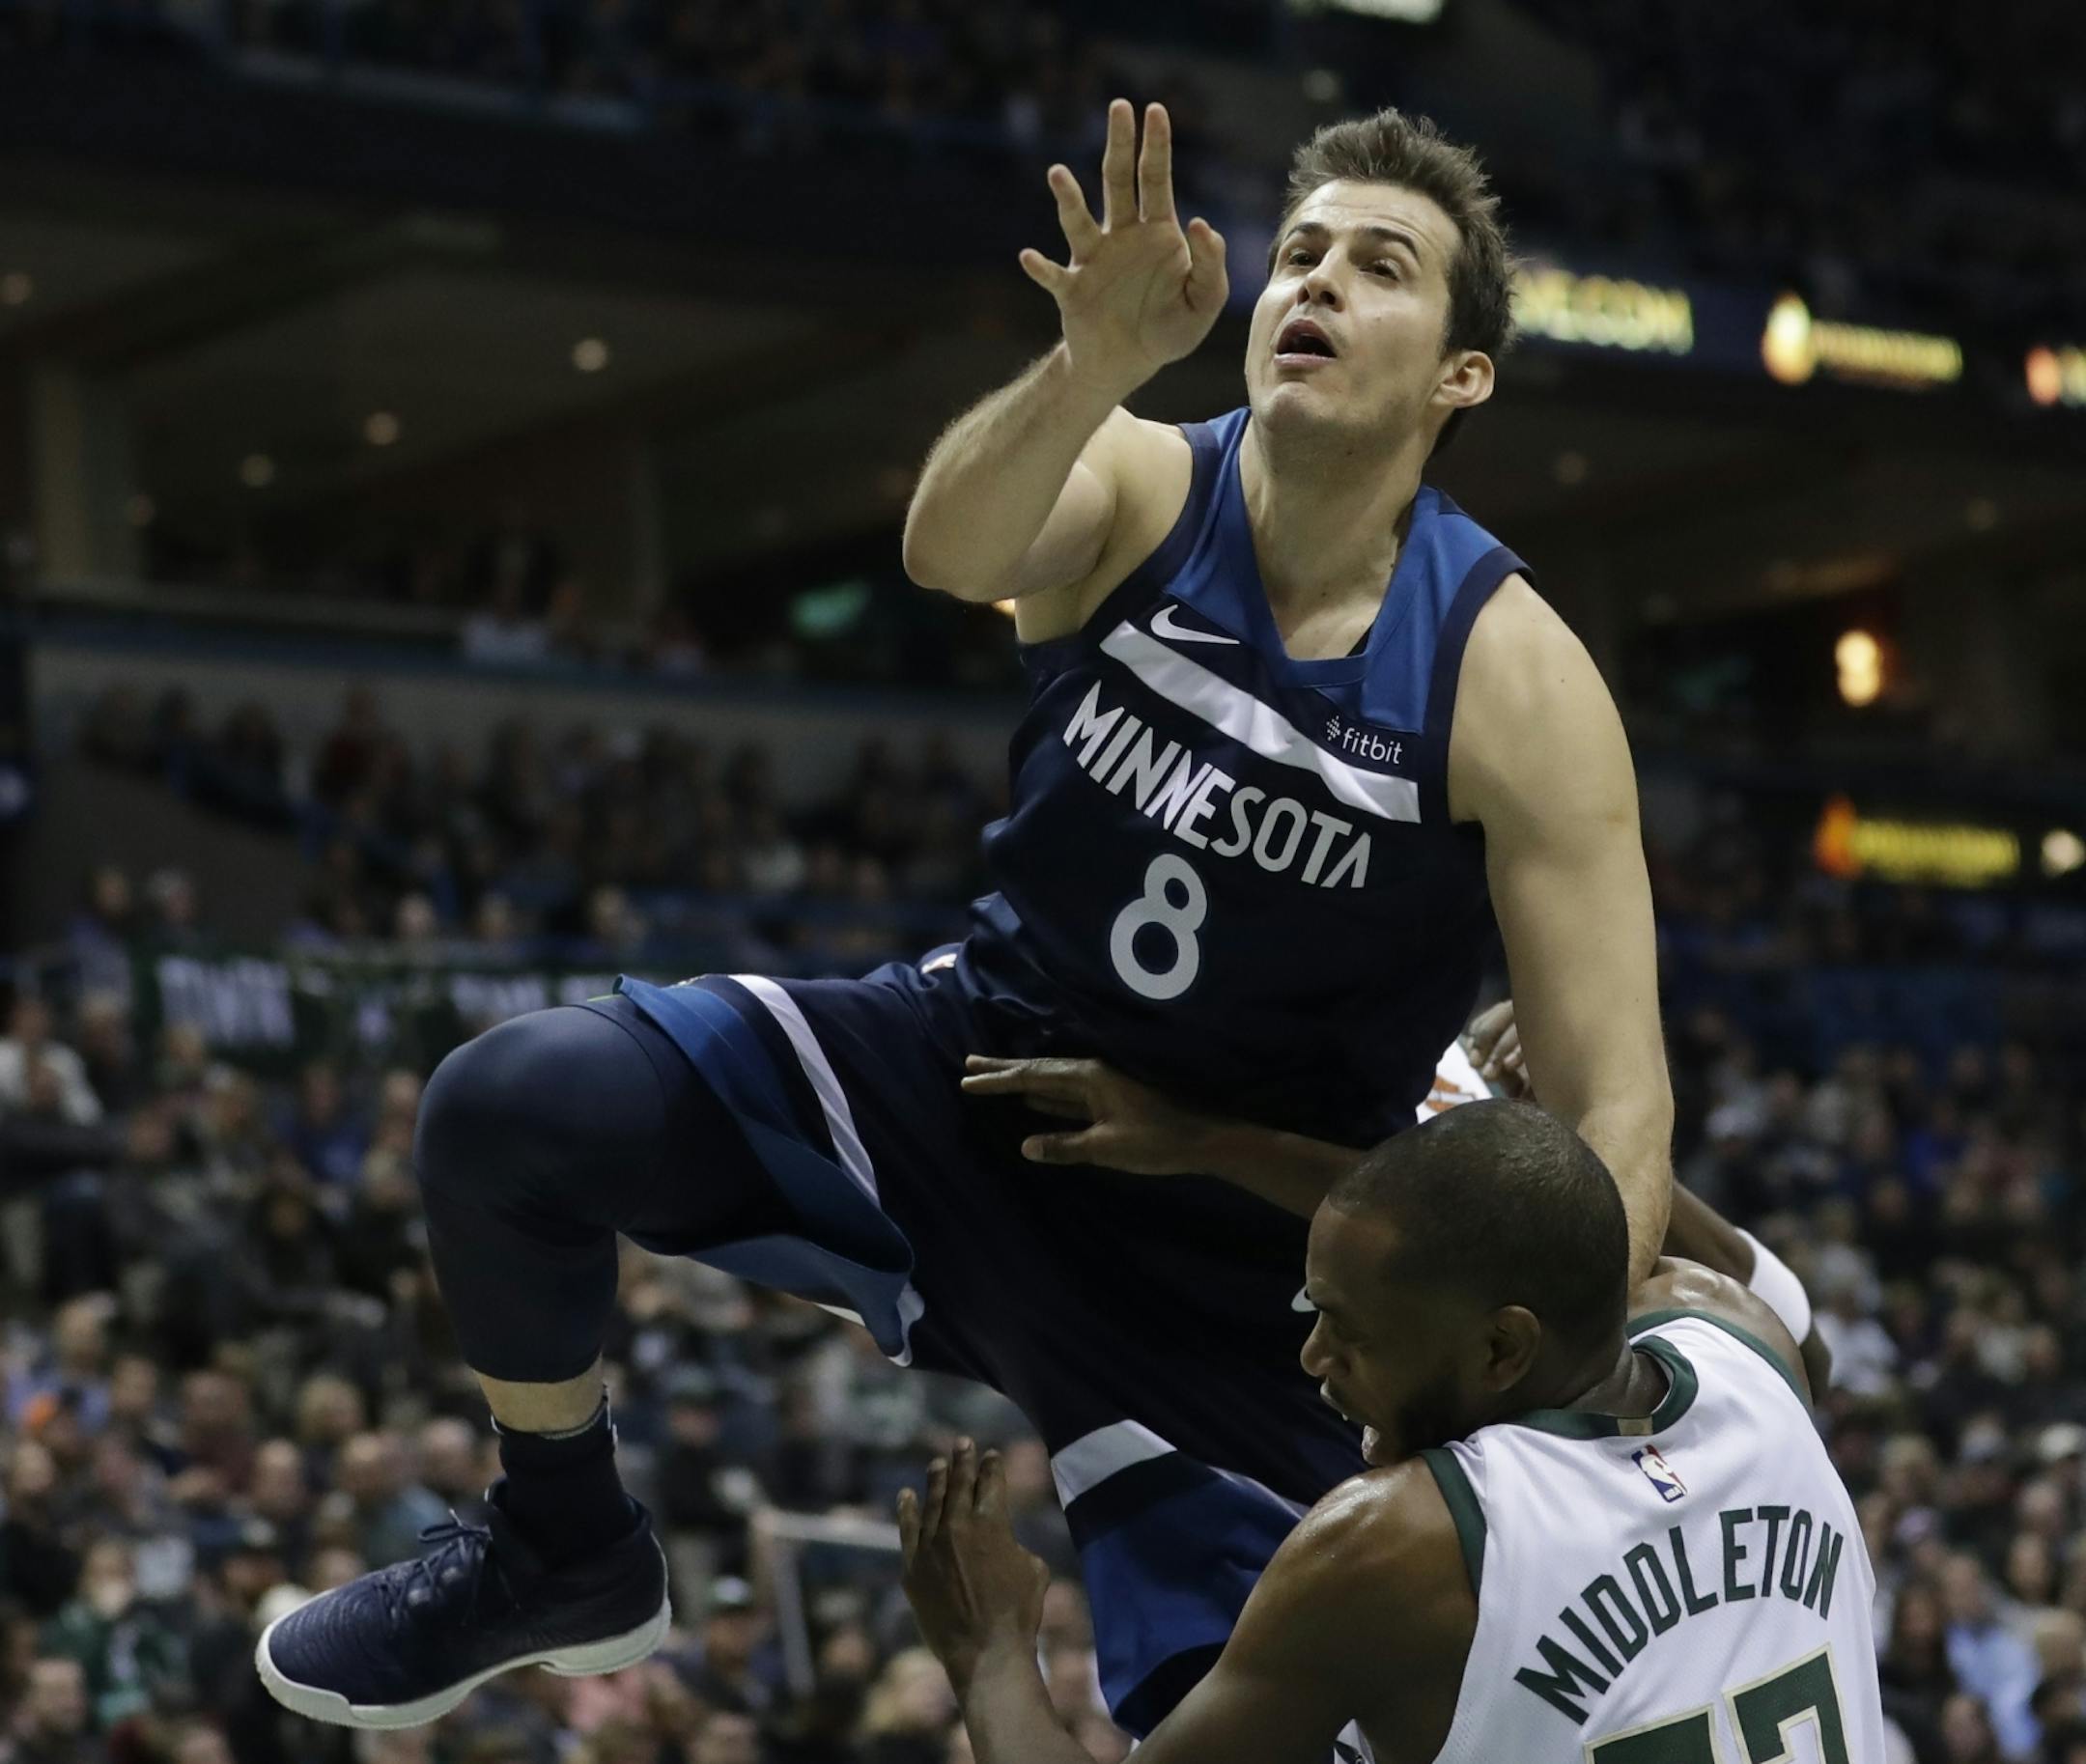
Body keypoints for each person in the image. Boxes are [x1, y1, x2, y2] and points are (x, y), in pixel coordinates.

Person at [258, 98, 1689, 1739]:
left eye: (1381, 269)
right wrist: (1088, 360)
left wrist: (1569, 1418)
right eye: (1299, 255)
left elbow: (1615, 1107)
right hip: (971, 1073)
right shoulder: (1152, 483)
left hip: (1249, 1275)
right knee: (506, 1108)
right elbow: (954, 547)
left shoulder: (1512, 676)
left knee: (1245, 1722)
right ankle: (562, 1544)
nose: (1319, 288)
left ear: (1461, 374)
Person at [898, 1102, 1887, 1764]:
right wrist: (1218, 1145)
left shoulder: (1405, 1542)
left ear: (1503, 1349)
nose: (1315, 1359)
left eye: (1354, 1331)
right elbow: (1594, 1240)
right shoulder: (1746, 1345)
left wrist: (989, 1651)